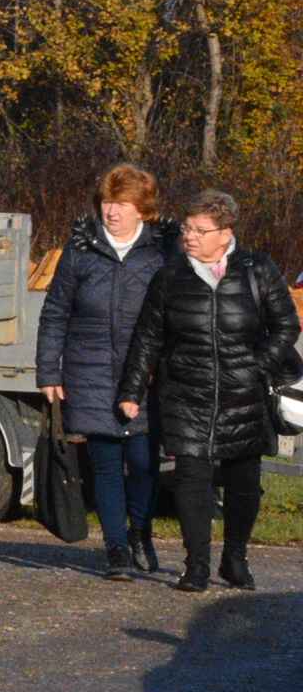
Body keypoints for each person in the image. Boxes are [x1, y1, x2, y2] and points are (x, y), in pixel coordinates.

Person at [116, 189, 300, 592]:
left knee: (243, 482)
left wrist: (256, 368)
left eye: (200, 230)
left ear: (225, 232)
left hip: (245, 395)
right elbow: (147, 337)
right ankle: (195, 566)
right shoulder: (170, 276)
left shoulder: (258, 268)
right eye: (186, 228)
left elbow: (287, 326)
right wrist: (130, 391)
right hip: (186, 394)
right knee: (191, 480)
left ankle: (235, 558)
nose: (190, 236)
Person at [36, 164, 174, 579]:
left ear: (142, 209)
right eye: (107, 203)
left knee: (144, 462)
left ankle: (140, 534)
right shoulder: (81, 250)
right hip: (89, 370)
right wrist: (48, 371)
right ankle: (116, 547)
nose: (112, 212)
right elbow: (55, 312)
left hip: (146, 374)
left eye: (122, 204)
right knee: (107, 464)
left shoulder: (163, 252)